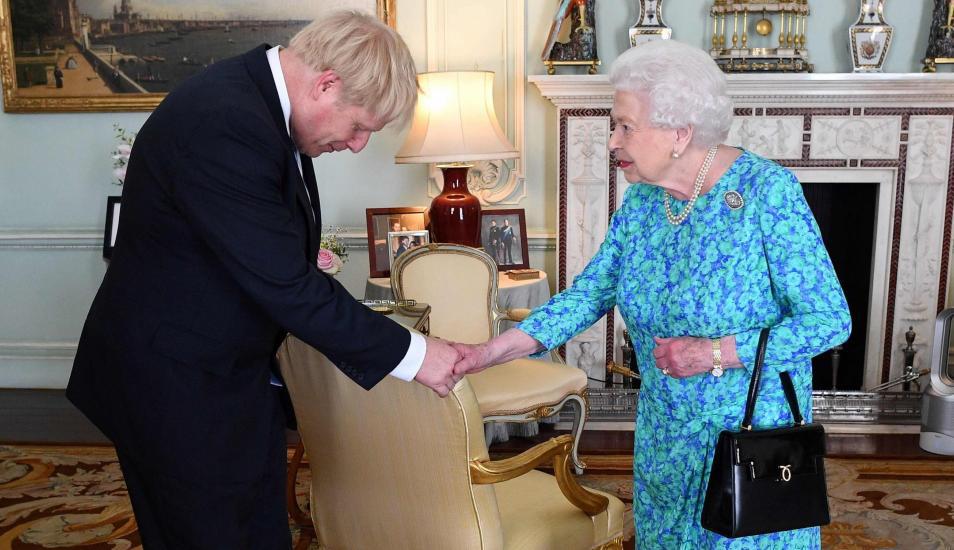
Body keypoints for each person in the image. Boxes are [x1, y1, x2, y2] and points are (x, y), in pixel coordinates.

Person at [68, 11, 464, 549]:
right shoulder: (225, 122)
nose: (356, 145)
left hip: (222, 374)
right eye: (360, 126)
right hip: (174, 385)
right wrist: (418, 356)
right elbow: (289, 284)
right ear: (327, 85)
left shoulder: (257, 106)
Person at [452, 39, 850, 548]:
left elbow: (829, 320)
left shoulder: (767, 194)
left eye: (625, 126)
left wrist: (714, 353)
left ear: (680, 133)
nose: (612, 141)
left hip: (749, 438)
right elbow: (590, 293)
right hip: (666, 435)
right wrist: (494, 350)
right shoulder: (643, 201)